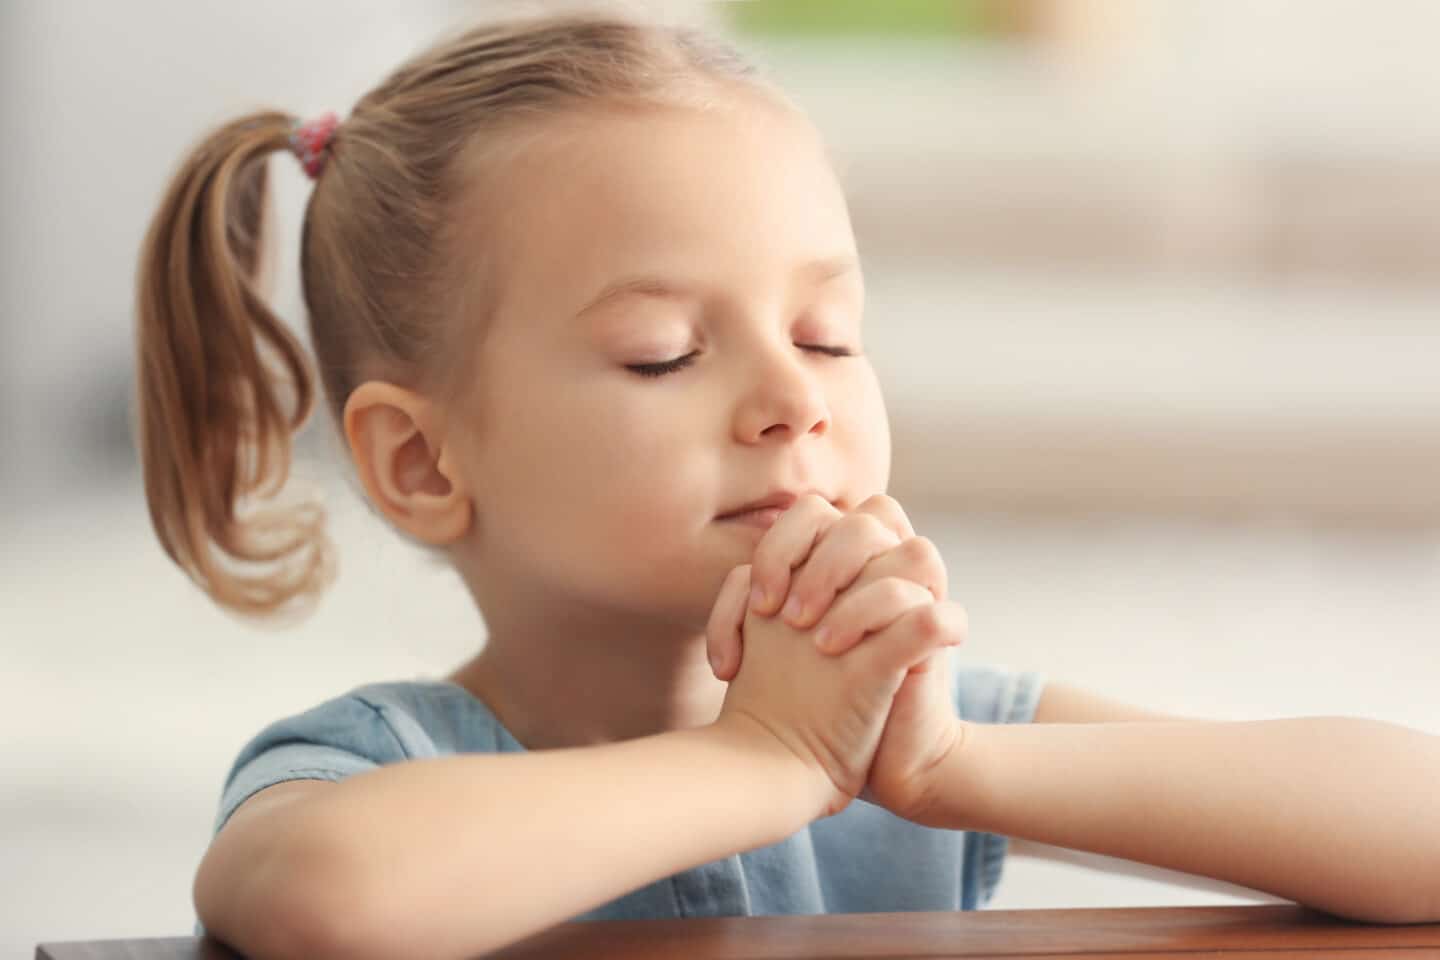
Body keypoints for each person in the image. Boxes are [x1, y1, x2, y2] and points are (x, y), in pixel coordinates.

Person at [133, 8, 1440, 959]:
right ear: (424, 463)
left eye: (827, 334)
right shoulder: (376, 766)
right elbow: (324, 904)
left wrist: (955, 771)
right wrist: (767, 758)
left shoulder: (914, 728)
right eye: (665, 354)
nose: (794, 398)